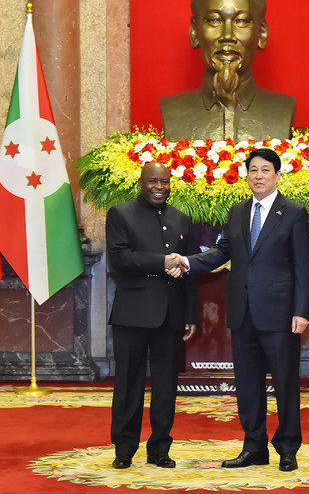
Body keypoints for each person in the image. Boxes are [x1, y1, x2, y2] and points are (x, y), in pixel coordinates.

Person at [170, 148, 309, 472]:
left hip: (280, 313)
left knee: (285, 383)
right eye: (253, 170)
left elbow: (304, 267)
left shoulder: (293, 212)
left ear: (277, 175)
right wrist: (187, 262)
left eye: (265, 170)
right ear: (246, 176)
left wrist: (302, 311)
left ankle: (287, 448)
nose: (258, 176)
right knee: (247, 383)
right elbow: (221, 252)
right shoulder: (237, 211)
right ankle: (254, 447)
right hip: (242, 312)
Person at [106, 162, 197, 469]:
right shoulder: (120, 214)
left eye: (165, 182)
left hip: (170, 316)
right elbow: (119, 257)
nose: (159, 187)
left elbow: (190, 270)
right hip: (132, 314)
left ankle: (160, 448)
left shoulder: (182, 219)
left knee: (166, 386)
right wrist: (162, 261)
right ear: (141, 183)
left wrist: (190, 314)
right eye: (153, 181)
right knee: (128, 384)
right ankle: (124, 448)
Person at [160, 0, 296, 141]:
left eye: (241, 21)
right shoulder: (173, 110)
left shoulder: (283, 110)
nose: (227, 36)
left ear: (261, 33)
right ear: (195, 32)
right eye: (214, 20)